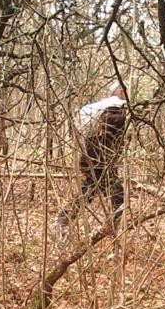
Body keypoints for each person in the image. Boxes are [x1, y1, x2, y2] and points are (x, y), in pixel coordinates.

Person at [55, 83, 129, 235]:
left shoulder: (100, 109)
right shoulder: (115, 107)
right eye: (126, 91)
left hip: (96, 158)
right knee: (104, 192)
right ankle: (62, 221)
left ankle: (63, 221)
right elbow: (112, 123)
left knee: (95, 192)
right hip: (99, 159)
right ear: (121, 91)